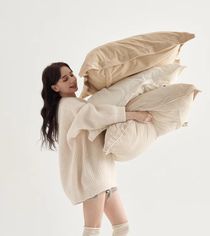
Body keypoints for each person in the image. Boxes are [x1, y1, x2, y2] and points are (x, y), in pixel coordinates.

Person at [40, 62, 153, 236]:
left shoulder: (75, 103)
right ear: (55, 87)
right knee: (92, 231)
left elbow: (94, 113)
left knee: (122, 227)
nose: (71, 79)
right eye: (64, 78)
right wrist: (134, 115)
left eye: (71, 74)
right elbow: (97, 115)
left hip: (103, 173)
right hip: (92, 177)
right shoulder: (68, 106)